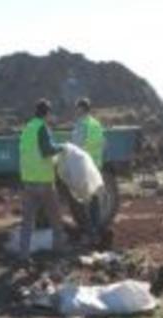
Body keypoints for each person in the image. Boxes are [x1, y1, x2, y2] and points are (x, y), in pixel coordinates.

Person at [18, 99, 66, 262]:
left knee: (27, 221)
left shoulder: (27, 129)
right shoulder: (42, 128)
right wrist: (61, 147)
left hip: (28, 181)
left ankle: (24, 254)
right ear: (46, 113)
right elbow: (47, 151)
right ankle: (58, 248)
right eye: (50, 113)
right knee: (55, 216)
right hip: (44, 181)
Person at [70, 97, 106, 242]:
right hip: (96, 166)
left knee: (84, 202)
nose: (75, 111)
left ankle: (91, 233)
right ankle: (96, 230)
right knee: (94, 201)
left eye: (77, 108)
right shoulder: (96, 123)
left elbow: (76, 147)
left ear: (81, 109)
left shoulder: (81, 125)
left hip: (84, 166)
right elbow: (103, 144)